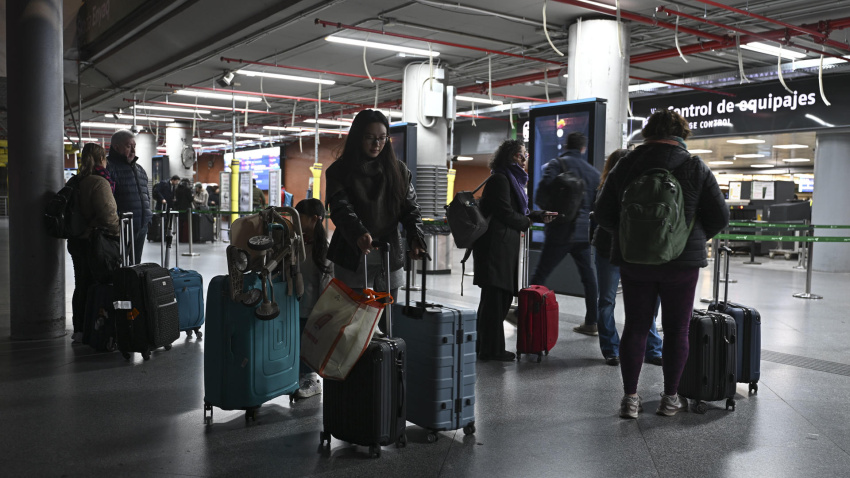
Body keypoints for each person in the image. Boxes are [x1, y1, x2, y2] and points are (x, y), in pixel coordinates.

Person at [594, 110, 729, 419]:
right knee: (677, 329)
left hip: (634, 261)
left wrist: (631, 237)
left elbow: (602, 214)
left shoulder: (626, 164)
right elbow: (720, 217)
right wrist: (687, 237)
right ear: (682, 134)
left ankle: (630, 399)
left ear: (648, 133)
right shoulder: (695, 166)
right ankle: (670, 399)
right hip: (681, 265)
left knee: (636, 326)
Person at [325, 109, 426, 334]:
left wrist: (415, 237)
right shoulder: (339, 171)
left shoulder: (399, 170)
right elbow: (340, 207)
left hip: (389, 255)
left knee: (385, 322)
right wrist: (358, 232)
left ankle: (383, 357)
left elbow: (410, 209)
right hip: (352, 254)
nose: (376, 144)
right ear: (357, 137)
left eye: (382, 138)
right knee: (353, 326)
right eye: (370, 137)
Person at [473, 139, 554, 362]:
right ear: (512, 156)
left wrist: (537, 216)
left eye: (525, 155)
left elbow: (515, 211)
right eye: (522, 154)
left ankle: (486, 346)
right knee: (495, 300)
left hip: (502, 246)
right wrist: (527, 222)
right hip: (495, 248)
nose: (525, 159)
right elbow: (505, 212)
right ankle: (492, 350)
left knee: (496, 299)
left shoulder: (510, 179)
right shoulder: (500, 179)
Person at [592, 149, 663, 367]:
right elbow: (603, 217)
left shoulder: (640, 186)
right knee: (607, 300)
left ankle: (652, 348)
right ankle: (611, 349)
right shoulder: (607, 187)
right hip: (609, 248)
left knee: (641, 300)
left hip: (633, 250)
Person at [529, 132, 601, 337]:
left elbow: (540, 195)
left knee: (541, 273)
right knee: (589, 277)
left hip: (560, 230)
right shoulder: (593, 173)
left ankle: (526, 313)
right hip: (582, 234)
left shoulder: (556, 164)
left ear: (566, 145)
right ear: (583, 148)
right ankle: (592, 322)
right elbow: (596, 205)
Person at [68, 143, 120, 342]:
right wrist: (118, 234)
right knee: (97, 284)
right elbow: (109, 215)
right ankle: (96, 328)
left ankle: (79, 329)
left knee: (81, 284)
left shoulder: (75, 180)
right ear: (101, 159)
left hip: (76, 240)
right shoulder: (99, 182)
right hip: (95, 242)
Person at [292, 198, 334, 399]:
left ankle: (312, 380)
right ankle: (299, 377)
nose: (296, 221)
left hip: (311, 309)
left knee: (308, 345)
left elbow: (326, 285)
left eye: (300, 217)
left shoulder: (323, 249)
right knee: (296, 343)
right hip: (295, 306)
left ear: (315, 219)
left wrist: (321, 314)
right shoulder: (297, 244)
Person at [106, 129, 151, 265]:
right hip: (121, 228)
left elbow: (146, 196)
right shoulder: (108, 168)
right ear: (116, 147)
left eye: (134, 146)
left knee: (135, 265)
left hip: (141, 227)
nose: (133, 150)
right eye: (128, 146)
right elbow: (106, 200)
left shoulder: (140, 170)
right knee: (118, 266)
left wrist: (148, 219)